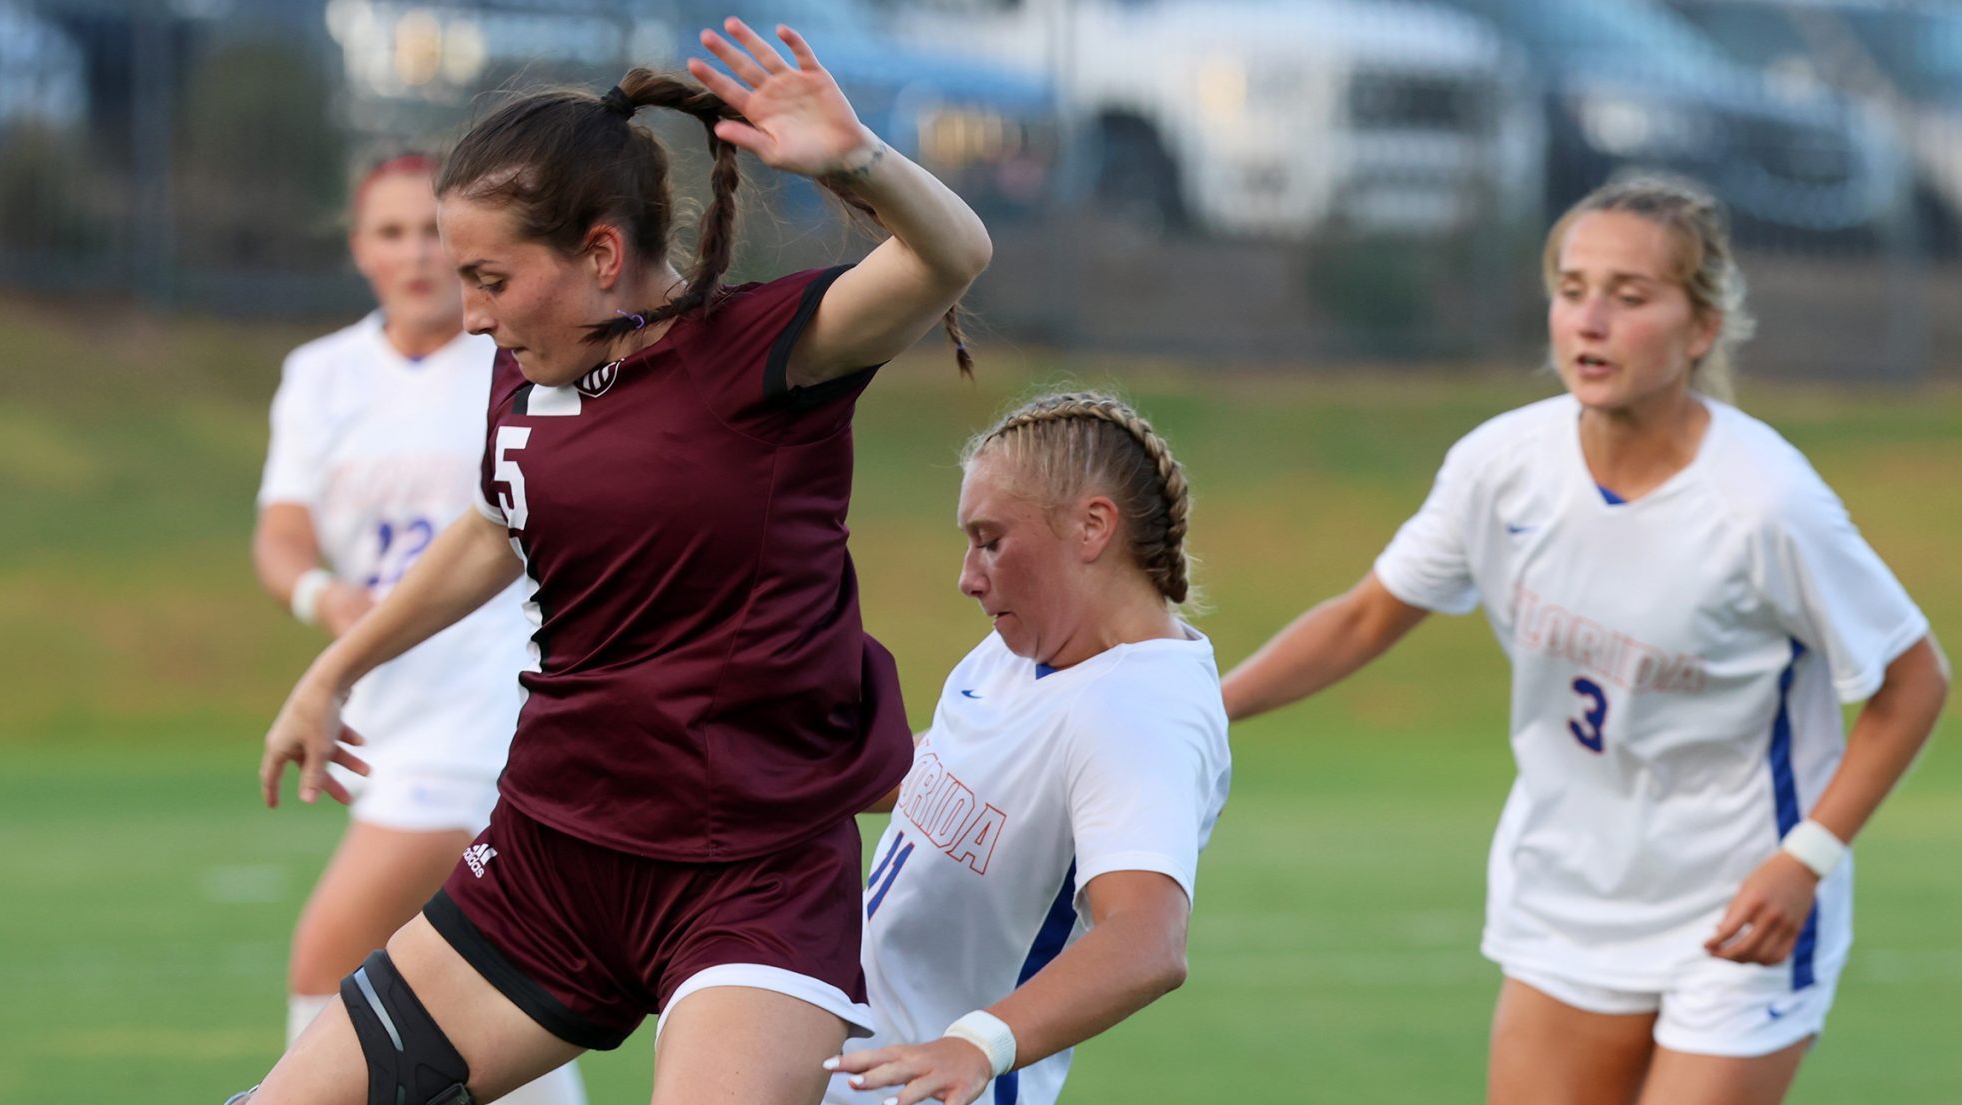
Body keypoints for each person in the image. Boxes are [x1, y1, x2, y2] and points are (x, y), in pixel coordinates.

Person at [237, 17, 991, 1105]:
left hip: (750, 874)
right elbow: (496, 525)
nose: (472, 311)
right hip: (550, 859)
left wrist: (860, 162)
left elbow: (952, 254)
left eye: (491, 278)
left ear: (599, 254)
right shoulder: (525, 366)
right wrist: (333, 667)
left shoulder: (765, 351)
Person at [1219, 174, 1950, 1105]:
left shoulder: (1766, 502)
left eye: (1630, 296)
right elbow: (1364, 616)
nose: (1591, 319)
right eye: (1572, 290)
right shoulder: (1501, 466)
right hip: (1566, 898)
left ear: (1702, 328)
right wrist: (1205, 706)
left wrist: (1805, 858)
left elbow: (1914, 680)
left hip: (1738, 908)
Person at [249, 152, 586, 1105]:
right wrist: (328, 600)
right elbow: (280, 534)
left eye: (432, 233)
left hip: (494, 704)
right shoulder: (320, 374)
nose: (414, 255)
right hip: (386, 712)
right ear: (358, 249)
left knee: (333, 947)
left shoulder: (515, 361)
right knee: (486, 980)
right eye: (388, 232)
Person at [822, 393, 1231, 1105]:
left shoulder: (1140, 710)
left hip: (926, 1092)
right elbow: (957, 772)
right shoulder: (1026, 647)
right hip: (845, 1064)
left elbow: (1147, 938)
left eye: (990, 539)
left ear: (1092, 526)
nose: (967, 575)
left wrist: (976, 1044)